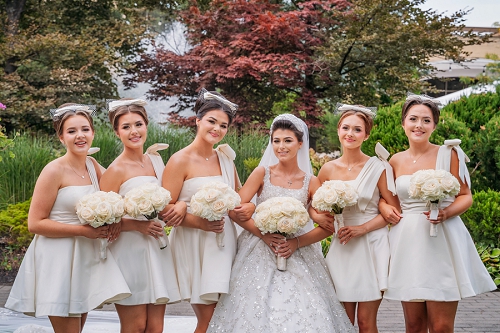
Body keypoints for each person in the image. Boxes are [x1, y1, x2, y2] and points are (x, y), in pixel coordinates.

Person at [207, 114, 355, 333]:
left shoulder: (311, 182)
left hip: (298, 253)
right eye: (276, 141)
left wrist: (295, 243)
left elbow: (327, 227)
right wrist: (263, 234)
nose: (281, 146)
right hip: (257, 250)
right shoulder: (261, 173)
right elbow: (235, 210)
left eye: (287, 141)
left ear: (300, 143)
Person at [5, 104, 131, 333]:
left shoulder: (93, 166)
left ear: (93, 133)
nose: (80, 136)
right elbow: (35, 224)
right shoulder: (53, 171)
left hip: (83, 258)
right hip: (57, 259)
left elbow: (115, 194)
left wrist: (116, 219)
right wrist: (84, 231)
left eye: (85, 129)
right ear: (61, 137)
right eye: (72, 131)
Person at [380, 94, 497, 333]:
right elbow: (388, 199)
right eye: (413, 119)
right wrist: (384, 207)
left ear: (434, 125)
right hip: (408, 243)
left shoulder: (448, 154)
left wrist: (446, 212)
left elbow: (466, 196)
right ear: (403, 123)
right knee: (413, 325)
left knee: (442, 326)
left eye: (426, 120)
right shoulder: (394, 160)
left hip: (442, 240)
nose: (418, 125)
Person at [162, 89, 248, 333]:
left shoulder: (225, 159)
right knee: (209, 320)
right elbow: (164, 210)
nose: (217, 129)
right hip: (195, 243)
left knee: (223, 317)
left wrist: (250, 207)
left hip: (225, 241)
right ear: (197, 120)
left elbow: (239, 196)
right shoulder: (180, 160)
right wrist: (197, 220)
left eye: (223, 125)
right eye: (211, 121)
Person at [312, 104, 400, 332]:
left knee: (365, 322)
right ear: (339, 130)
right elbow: (313, 206)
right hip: (343, 245)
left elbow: (393, 211)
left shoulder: (379, 167)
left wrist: (363, 228)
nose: (350, 134)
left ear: (367, 135)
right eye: (346, 128)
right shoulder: (327, 169)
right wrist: (318, 217)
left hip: (372, 244)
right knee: (342, 319)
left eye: (357, 129)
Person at [100, 98, 181, 333]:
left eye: (138, 124)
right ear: (117, 132)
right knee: (135, 326)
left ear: (146, 125)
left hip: (156, 248)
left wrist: (180, 207)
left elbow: (168, 202)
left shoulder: (155, 161)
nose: (134, 131)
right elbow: (104, 220)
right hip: (129, 251)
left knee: (156, 327)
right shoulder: (115, 170)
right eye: (126, 127)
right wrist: (137, 226)